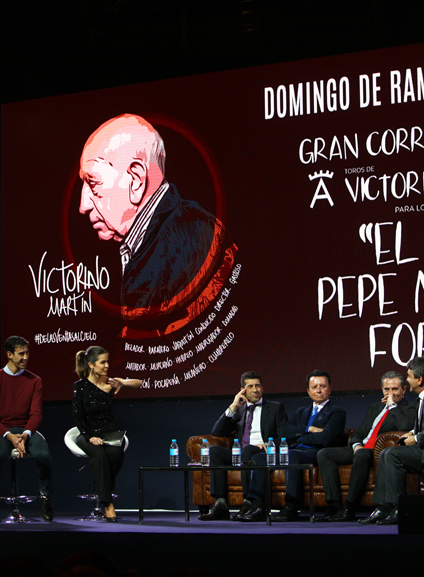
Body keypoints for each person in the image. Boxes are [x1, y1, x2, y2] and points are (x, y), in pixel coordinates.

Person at [78, 114, 237, 336]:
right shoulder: (177, 232)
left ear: (136, 179)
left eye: (93, 184)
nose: (83, 205)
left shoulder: (194, 240)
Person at [360, 357, 424, 525]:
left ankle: (400, 508)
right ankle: (384, 508)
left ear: (419, 379)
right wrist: (412, 432)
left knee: (392, 455)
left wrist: (417, 438)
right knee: (386, 453)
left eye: (409, 376)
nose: (407, 379)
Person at [240, 370, 346, 522]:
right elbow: (285, 431)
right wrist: (307, 429)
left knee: (291, 455)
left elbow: (325, 438)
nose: (319, 390)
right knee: (259, 458)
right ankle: (257, 506)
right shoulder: (301, 412)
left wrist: (299, 436)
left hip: (317, 453)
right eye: (314, 386)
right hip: (295, 450)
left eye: (323, 386)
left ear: (330, 389)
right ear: (308, 391)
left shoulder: (337, 412)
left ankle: (291, 506)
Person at [316, 370, 416, 521]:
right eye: (386, 389)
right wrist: (356, 445)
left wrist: (393, 407)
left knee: (362, 454)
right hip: (362, 449)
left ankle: (350, 507)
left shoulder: (409, 408)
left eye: (395, 389)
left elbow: (405, 425)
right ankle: (334, 505)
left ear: (404, 390)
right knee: (324, 454)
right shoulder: (375, 408)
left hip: (379, 452)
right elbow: (359, 433)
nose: (390, 393)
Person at [200, 371, 288, 521]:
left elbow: (285, 435)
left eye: (258, 386)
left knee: (247, 450)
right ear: (243, 390)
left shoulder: (275, 408)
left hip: (263, 452)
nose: (255, 390)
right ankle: (220, 504)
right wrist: (233, 406)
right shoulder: (240, 410)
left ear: (263, 388)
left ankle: (248, 503)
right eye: (250, 386)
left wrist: (269, 444)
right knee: (214, 451)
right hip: (242, 453)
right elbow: (217, 432)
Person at [0, 336, 54, 523]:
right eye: (21, 353)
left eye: (27, 353)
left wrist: (25, 434)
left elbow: (36, 414)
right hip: (2, 430)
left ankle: (45, 496)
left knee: (44, 454)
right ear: (9, 355)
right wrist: (9, 436)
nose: (25, 357)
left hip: (25, 430)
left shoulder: (35, 380)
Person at [73, 345, 143, 522]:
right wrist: (90, 436)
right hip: (87, 433)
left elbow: (139, 383)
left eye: (107, 362)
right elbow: (79, 417)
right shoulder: (80, 387)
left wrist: (123, 382)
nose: (106, 366)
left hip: (109, 432)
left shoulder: (110, 383)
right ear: (90, 364)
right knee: (99, 455)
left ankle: (104, 489)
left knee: (116, 453)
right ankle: (107, 503)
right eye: (102, 362)